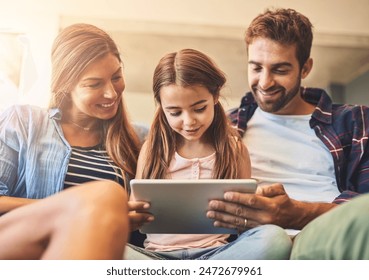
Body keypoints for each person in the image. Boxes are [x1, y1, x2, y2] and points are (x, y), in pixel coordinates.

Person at [206, 8, 369, 259]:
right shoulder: (223, 124)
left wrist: (297, 212)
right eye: (256, 68)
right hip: (249, 244)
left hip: (320, 236)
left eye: (280, 70)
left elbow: (363, 209)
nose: (265, 82)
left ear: (305, 68)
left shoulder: (356, 121)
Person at [127, 48, 292, 260]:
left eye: (199, 108)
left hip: (217, 254)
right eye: (175, 113)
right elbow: (136, 214)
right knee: (107, 248)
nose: (189, 122)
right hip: (157, 257)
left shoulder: (234, 148)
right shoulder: (151, 149)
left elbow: (246, 220)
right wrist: (132, 214)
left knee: (275, 239)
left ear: (215, 96)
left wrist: (250, 210)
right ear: (162, 106)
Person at [0, 23, 147, 258]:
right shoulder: (23, 121)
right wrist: (81, 211)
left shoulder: (139, 139)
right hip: (22, 244)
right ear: (65, 85)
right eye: (94, 84)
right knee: (106, 195)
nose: (111, 93)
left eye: (117, 77)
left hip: (102, 253)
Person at [0, 181, 129, 259]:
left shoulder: (123, 146)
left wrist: (120, 214)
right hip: (21, 234)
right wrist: (75, 206)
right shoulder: (20, 136)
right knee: (106, 193)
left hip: (107, 236)